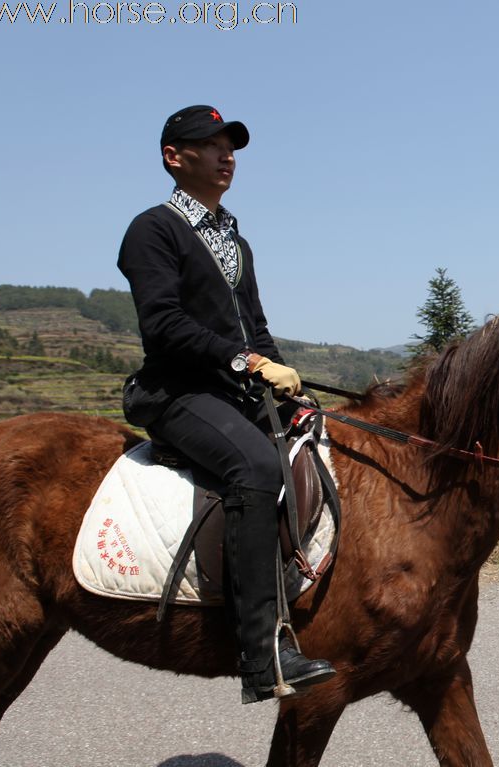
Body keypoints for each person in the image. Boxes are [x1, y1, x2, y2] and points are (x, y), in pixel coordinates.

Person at [117, 104, 335, 704]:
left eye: (230, 146)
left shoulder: (234, 238)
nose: (226, 155)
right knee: (256, 469)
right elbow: (163, 325)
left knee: (314, 446)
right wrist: (248, 363)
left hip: (233, 393)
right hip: (176, 392)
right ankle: (262, 656)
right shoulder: (152, 229)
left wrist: (291, 389)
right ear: (174, 157)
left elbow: (255, 329)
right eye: (210, 145)